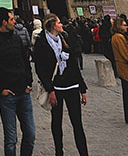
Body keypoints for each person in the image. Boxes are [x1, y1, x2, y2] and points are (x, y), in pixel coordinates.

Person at [34, 13, 89, 156]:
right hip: (55, 88)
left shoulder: (65, 38)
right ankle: (59, 151)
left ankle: (84, 153)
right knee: (56, 121)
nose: (61, 25)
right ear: (53, 25)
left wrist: (82, 88)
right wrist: (50, 89)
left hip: (72, 85)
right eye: (59, 22)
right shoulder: (42, 43)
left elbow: (74, 66)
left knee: (77, 123)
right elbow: (40, 70)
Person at [0, 7, 35, 156]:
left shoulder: (16, 39)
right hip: (8, 96)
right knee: (11, 139)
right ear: (4, 22)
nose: (14, 21)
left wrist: (28, 83)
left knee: (31, 133)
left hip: (23, 93)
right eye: (11, 19)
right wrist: (0, 89)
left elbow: (25, 61)